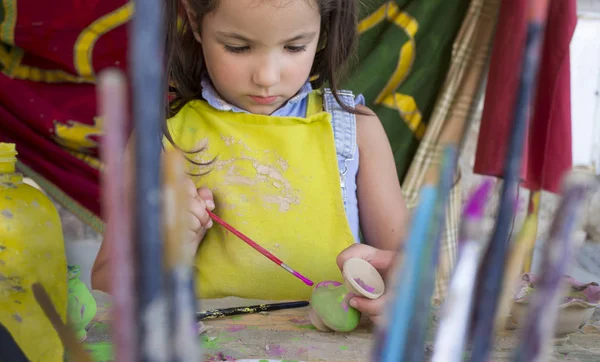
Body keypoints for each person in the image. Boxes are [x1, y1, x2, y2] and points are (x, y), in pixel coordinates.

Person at [92, 0, 407, 321]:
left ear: (324, 28)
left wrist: (396, 288)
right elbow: (103, 287)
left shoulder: (358, 132)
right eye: (238, 47)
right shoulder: (159, 140)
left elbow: (410, 273)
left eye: (295, 46)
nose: (266, 77)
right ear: (193, 18)